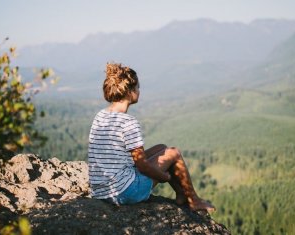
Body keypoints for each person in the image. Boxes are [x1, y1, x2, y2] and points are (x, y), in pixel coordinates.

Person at [88, 63, 215, 212]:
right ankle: (194, 200)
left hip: (101, 191)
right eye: (138, 87)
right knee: (174, 152)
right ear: (129, 91)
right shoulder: (128, 122)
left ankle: (181, 193)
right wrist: (164, 177)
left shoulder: (101, 115)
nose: (139, 91)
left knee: (161, 148)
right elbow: (142, 165)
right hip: (124, 192)